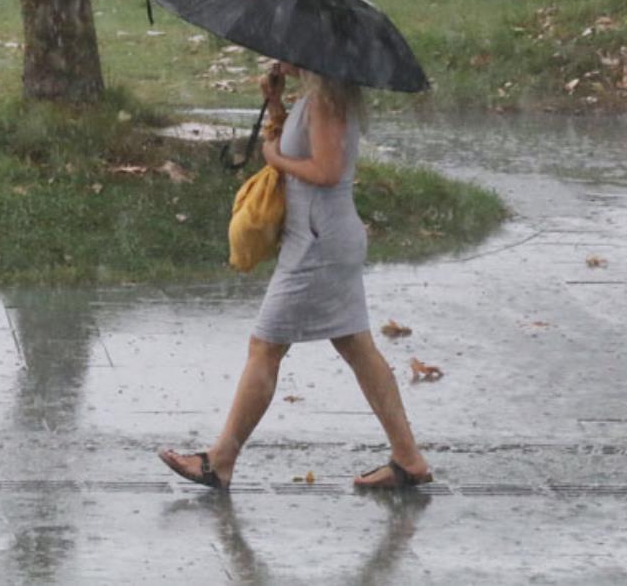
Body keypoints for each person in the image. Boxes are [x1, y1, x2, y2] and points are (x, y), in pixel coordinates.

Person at [158, 61, 432, 490]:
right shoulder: (318, 98)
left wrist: (275, 159)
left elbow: (326, 171)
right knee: (356, 346)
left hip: (318, 244)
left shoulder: (326, 102)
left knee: (265, 346)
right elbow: (307, 148)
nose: (277, 52)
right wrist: (274, 106)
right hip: (323, 237)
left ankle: (220, 460)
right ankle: (408, 459)